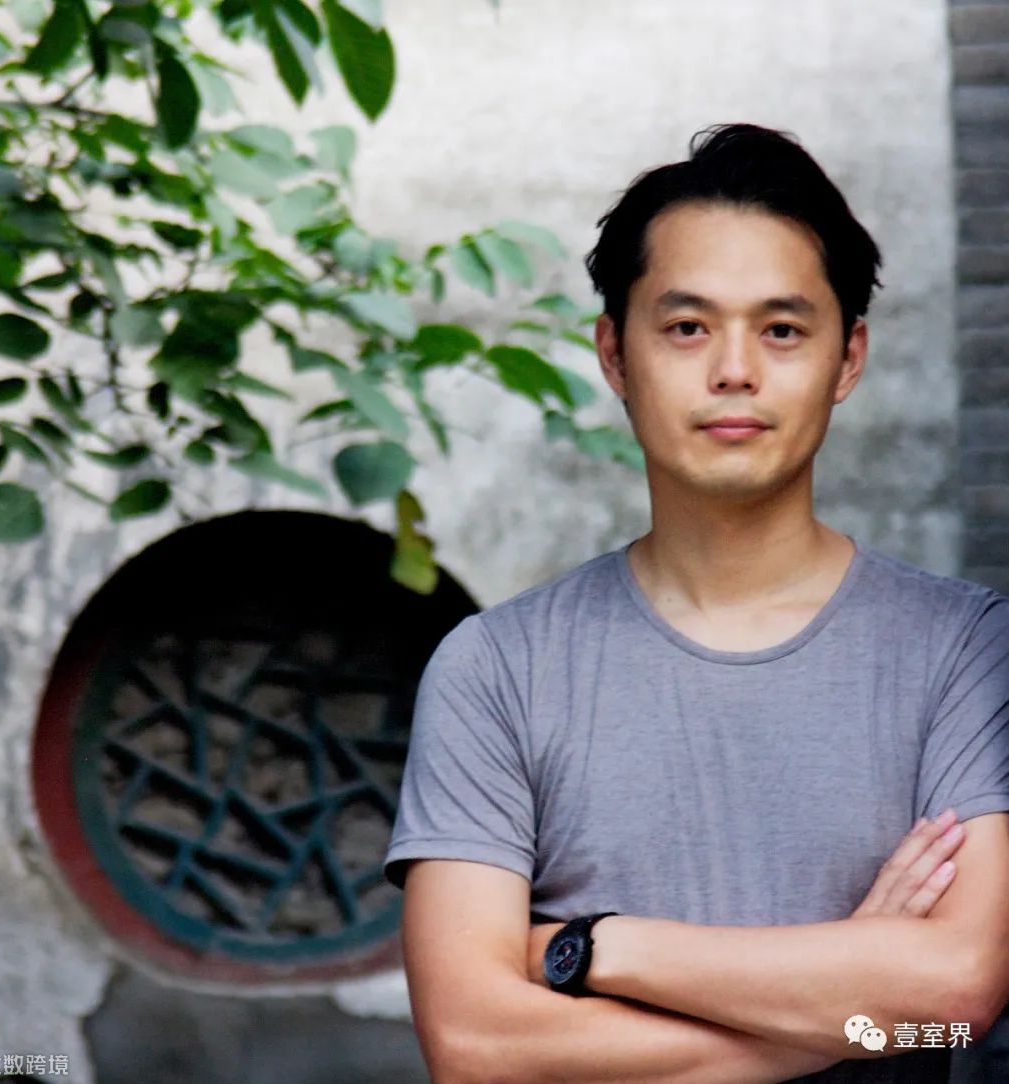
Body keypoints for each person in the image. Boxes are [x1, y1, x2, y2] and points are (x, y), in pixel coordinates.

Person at [382, 123, 1009, 1083]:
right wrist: (847, 1002)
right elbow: (477, 1049)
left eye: (782, 329)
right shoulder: (497, 670)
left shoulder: (965, 649)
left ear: (849, 358)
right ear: (614, 354)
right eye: (687, 327)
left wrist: (593, 947)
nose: (734, 370)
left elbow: (955, 1003)